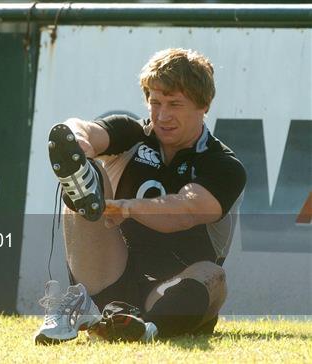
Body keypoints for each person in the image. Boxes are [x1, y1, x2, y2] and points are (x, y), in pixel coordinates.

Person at [34, 48, 246, 345]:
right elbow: (85, 129)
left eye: (174, 104)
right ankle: (88, 307)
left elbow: (186, 210)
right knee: (86, 174)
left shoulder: (224, 165)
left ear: (203, 105)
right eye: (155, 102)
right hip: (110, 276)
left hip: (175, 294)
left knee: (213, 276)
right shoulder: (132, 134)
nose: (162, 115)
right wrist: (76, 142)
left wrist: (127, 208)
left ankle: (140, 328)